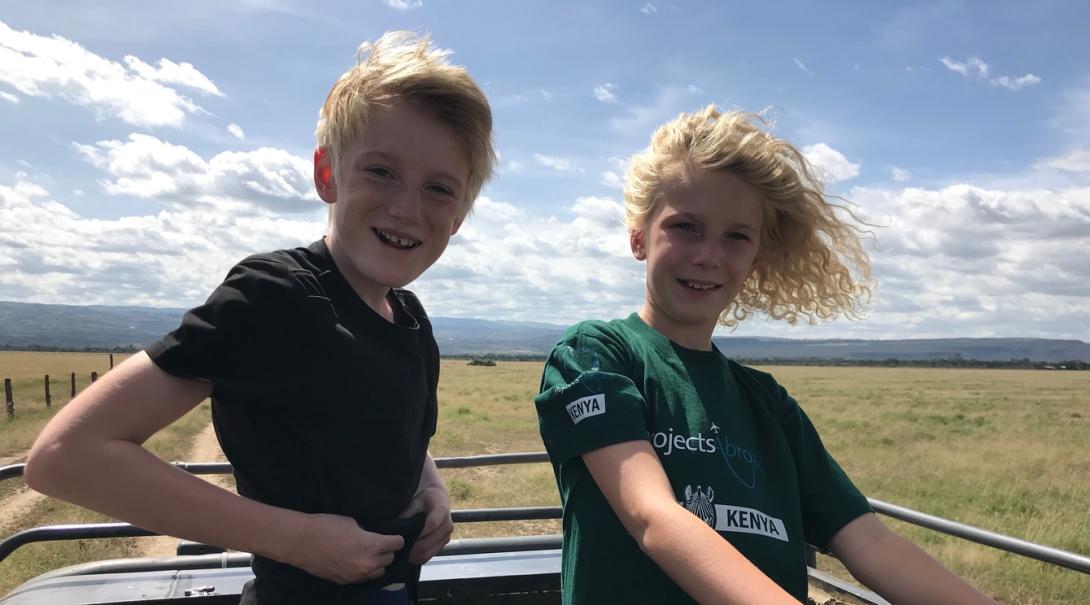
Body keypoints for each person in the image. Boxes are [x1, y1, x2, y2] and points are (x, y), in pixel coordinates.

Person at [26, 31, 495, 605]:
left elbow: (386, 431)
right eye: (381, 172)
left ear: (461, 213)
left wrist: (432, 489)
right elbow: (66, 457)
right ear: (327, 174)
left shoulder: (409, 318)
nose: (407, 207)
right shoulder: (275, 298)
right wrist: (296, 539)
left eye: (439, 188)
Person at [534, 106, 997, 604]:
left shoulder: (767, 403)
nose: (709, 254)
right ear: (639, 237)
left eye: (737, 236)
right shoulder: (596, 355)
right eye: (685, 227)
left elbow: (868, 541)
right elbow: (654, 518)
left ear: (756, 259)